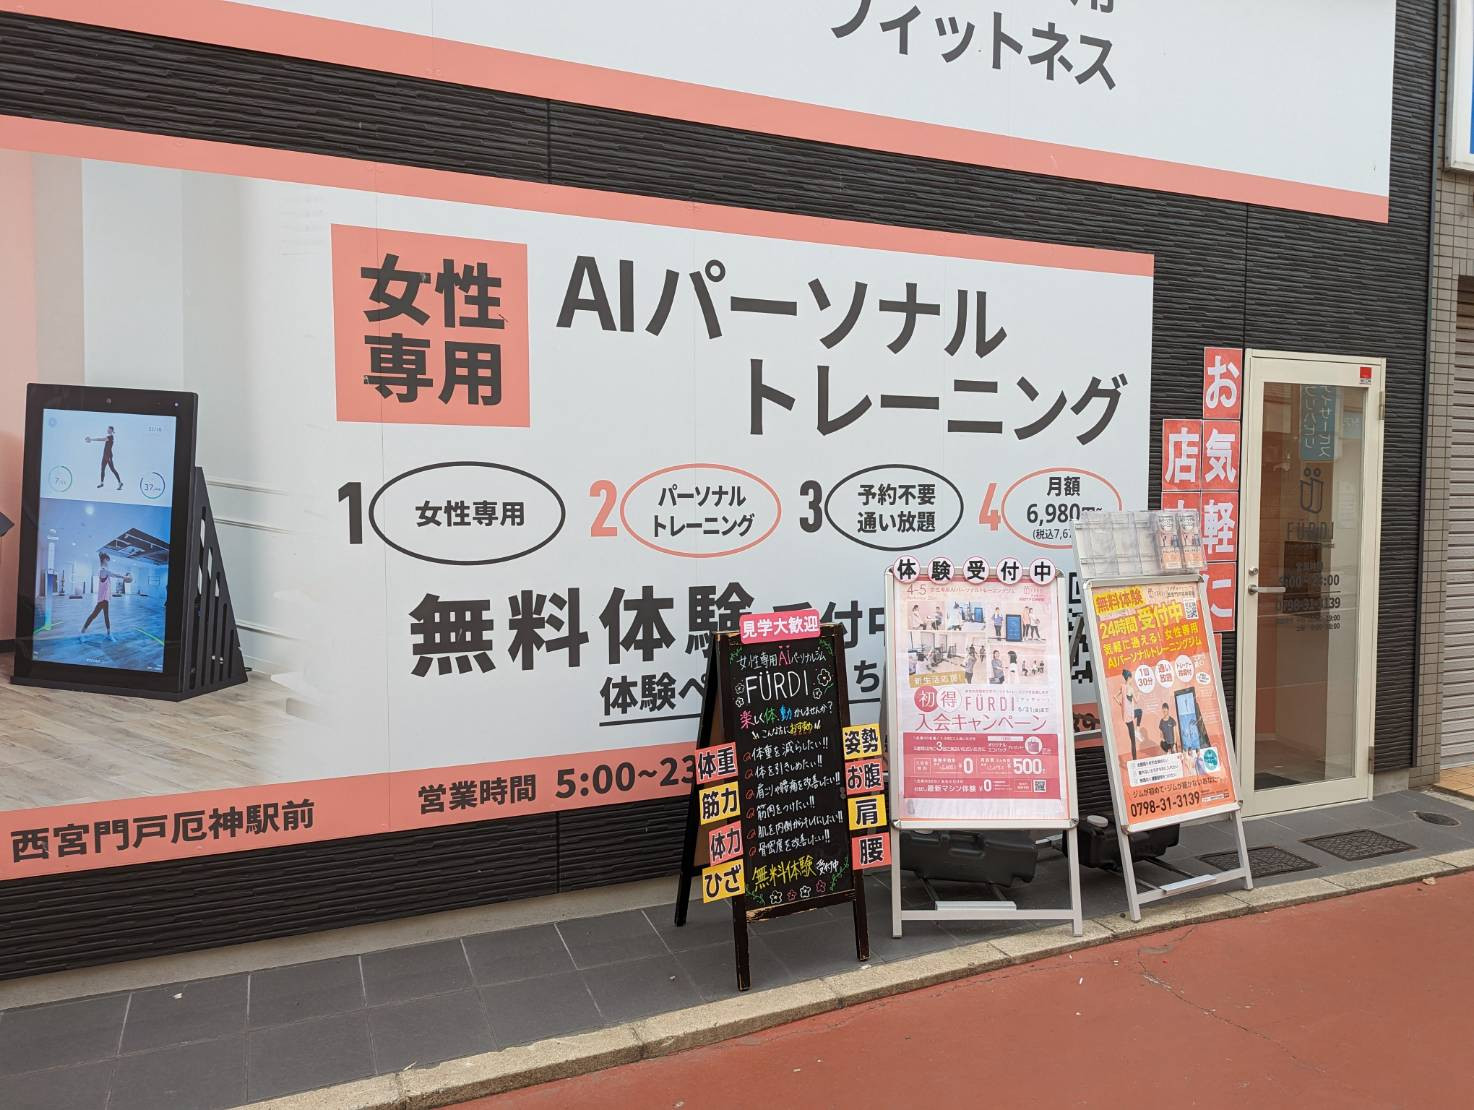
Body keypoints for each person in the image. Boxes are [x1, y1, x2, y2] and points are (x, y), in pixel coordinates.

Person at [80, 551, 131, 641]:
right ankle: (82, 633)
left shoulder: (103, 570)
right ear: (104, 560)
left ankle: (108, 633)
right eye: (107, 560)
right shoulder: (103, 570)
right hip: (102, 599)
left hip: (105, 598)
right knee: (94, 615)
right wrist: (124, 577)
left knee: (105, 616)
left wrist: (123, 577)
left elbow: (112, 575)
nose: (108, 562)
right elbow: (114, 575)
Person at [87, 425, 122, 490]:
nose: (107, 430)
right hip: (105, 456)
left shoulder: (110, 437)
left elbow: (100, 439)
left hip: (108, 456)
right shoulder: (108, 437)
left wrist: (91, 439)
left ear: (111, 430)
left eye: (108, 429)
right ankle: (102, 483)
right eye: (107, 429)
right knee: (102, 469)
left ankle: (120, 483)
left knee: (113, 469)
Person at [1117, 668, 1142, 759]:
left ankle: (1137, 731)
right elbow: (1136, 701)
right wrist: (1139, 694)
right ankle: (1135, 759)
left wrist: (1120, 704)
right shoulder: (1130, 689)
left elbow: (1115, 696)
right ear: (1129, 678)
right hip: (1130, 716)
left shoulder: (1123, 687)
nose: (1132, 680)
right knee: (1133, 741)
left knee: (1139, 712)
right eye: (1131, 678)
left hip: (1125, 716)